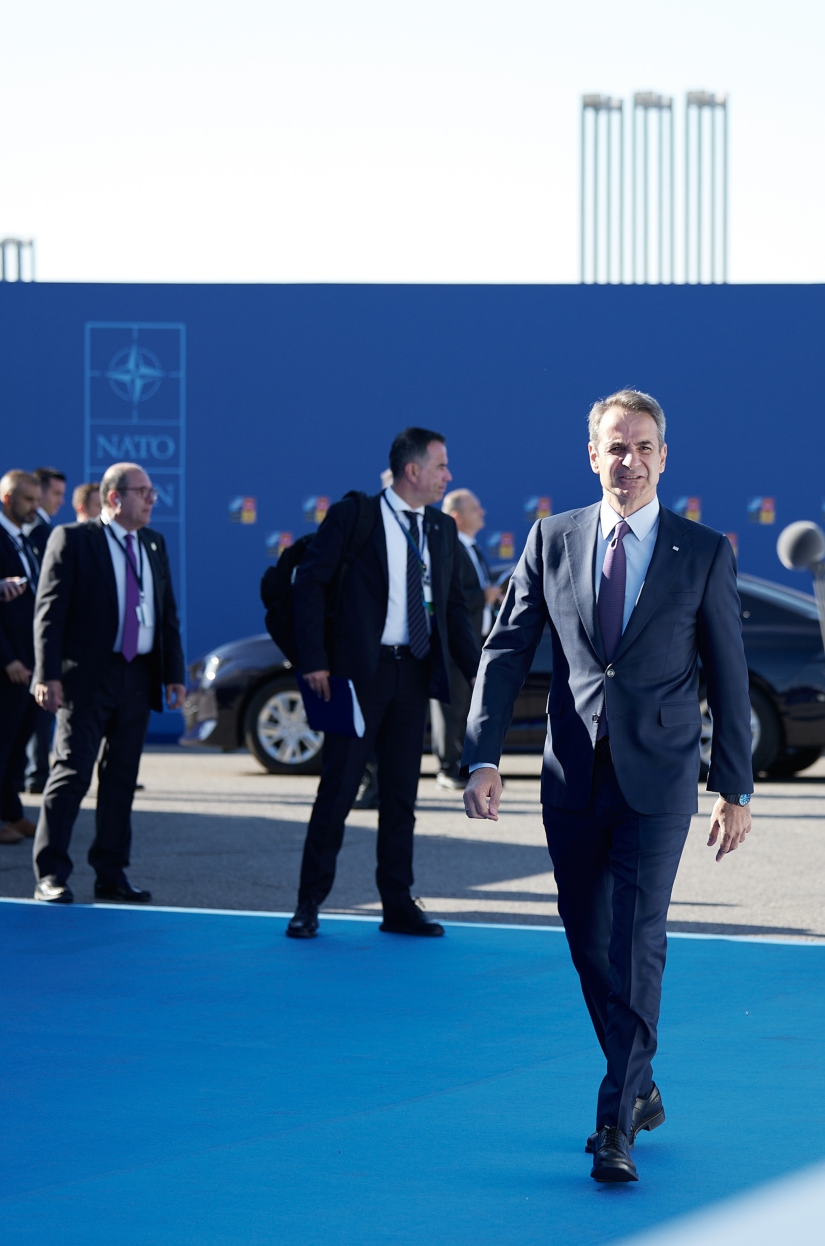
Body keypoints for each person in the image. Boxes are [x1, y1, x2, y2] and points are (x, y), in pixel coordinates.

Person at [462, 389, 755, 1185]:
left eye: (644, 447)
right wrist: (483, 754)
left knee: (636, 940)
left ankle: (614, 1121)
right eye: (616, 447)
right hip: (572, 774)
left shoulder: (702, 551)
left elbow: (729, 676)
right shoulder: (551, 538)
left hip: (658, 779)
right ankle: (643, 1084)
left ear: (665, 457)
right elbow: (507, 649)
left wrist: (734, 788)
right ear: (593, 456)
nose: (630, 461)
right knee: (587, 938)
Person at [286, 428, 482, 939]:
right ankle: (308, 903)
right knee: (338, 790)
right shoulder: (356, 516)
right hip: (359, 677)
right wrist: (314, 660)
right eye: (441, 466)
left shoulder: (440, 527)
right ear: (412, 470)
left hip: (413, 674)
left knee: (401, 797)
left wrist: (479, 671)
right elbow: (310, 586)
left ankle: (397, 904)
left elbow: (454, 609)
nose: (448, 475)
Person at [31, 462, 186, 904]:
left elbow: (166, 612)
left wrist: (173, 674)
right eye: (144, 492)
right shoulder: (74, 539)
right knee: (71, 774)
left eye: (153, 492)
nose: (152, 499)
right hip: (86, 678)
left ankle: (111, 873)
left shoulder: (153, 543)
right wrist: (47, 675)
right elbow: (49, 613)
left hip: (137, 676)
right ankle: (50, 874)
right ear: (115, 498)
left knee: (121, 779)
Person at [0, 471, 43, 847]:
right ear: (7, 498)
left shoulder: (26, 542)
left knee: (20, 741)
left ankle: (12, 811)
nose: (35, 507)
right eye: (28, 500)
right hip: (9, 666)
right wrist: (7, 660)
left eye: (37, 500)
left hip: (31, 662)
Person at [430, 487, 499, 790]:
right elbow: (447, 597)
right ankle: (447, 768)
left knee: (469, 707)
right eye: (474, 508)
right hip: (454, 644)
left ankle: (464, 765)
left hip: (476, 641)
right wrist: (483, 596)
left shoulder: (472, 548)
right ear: (457, 516)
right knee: (452, 706)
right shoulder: (450, 548)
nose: (482, 512)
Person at [24, 468, 70, 794]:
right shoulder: (41, 533)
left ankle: (35, 772)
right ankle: (37, 773)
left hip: (31, 640)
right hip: (32, 642)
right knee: (38, 713)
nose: (60, 501)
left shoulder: (44, 530)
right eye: (56, 494)